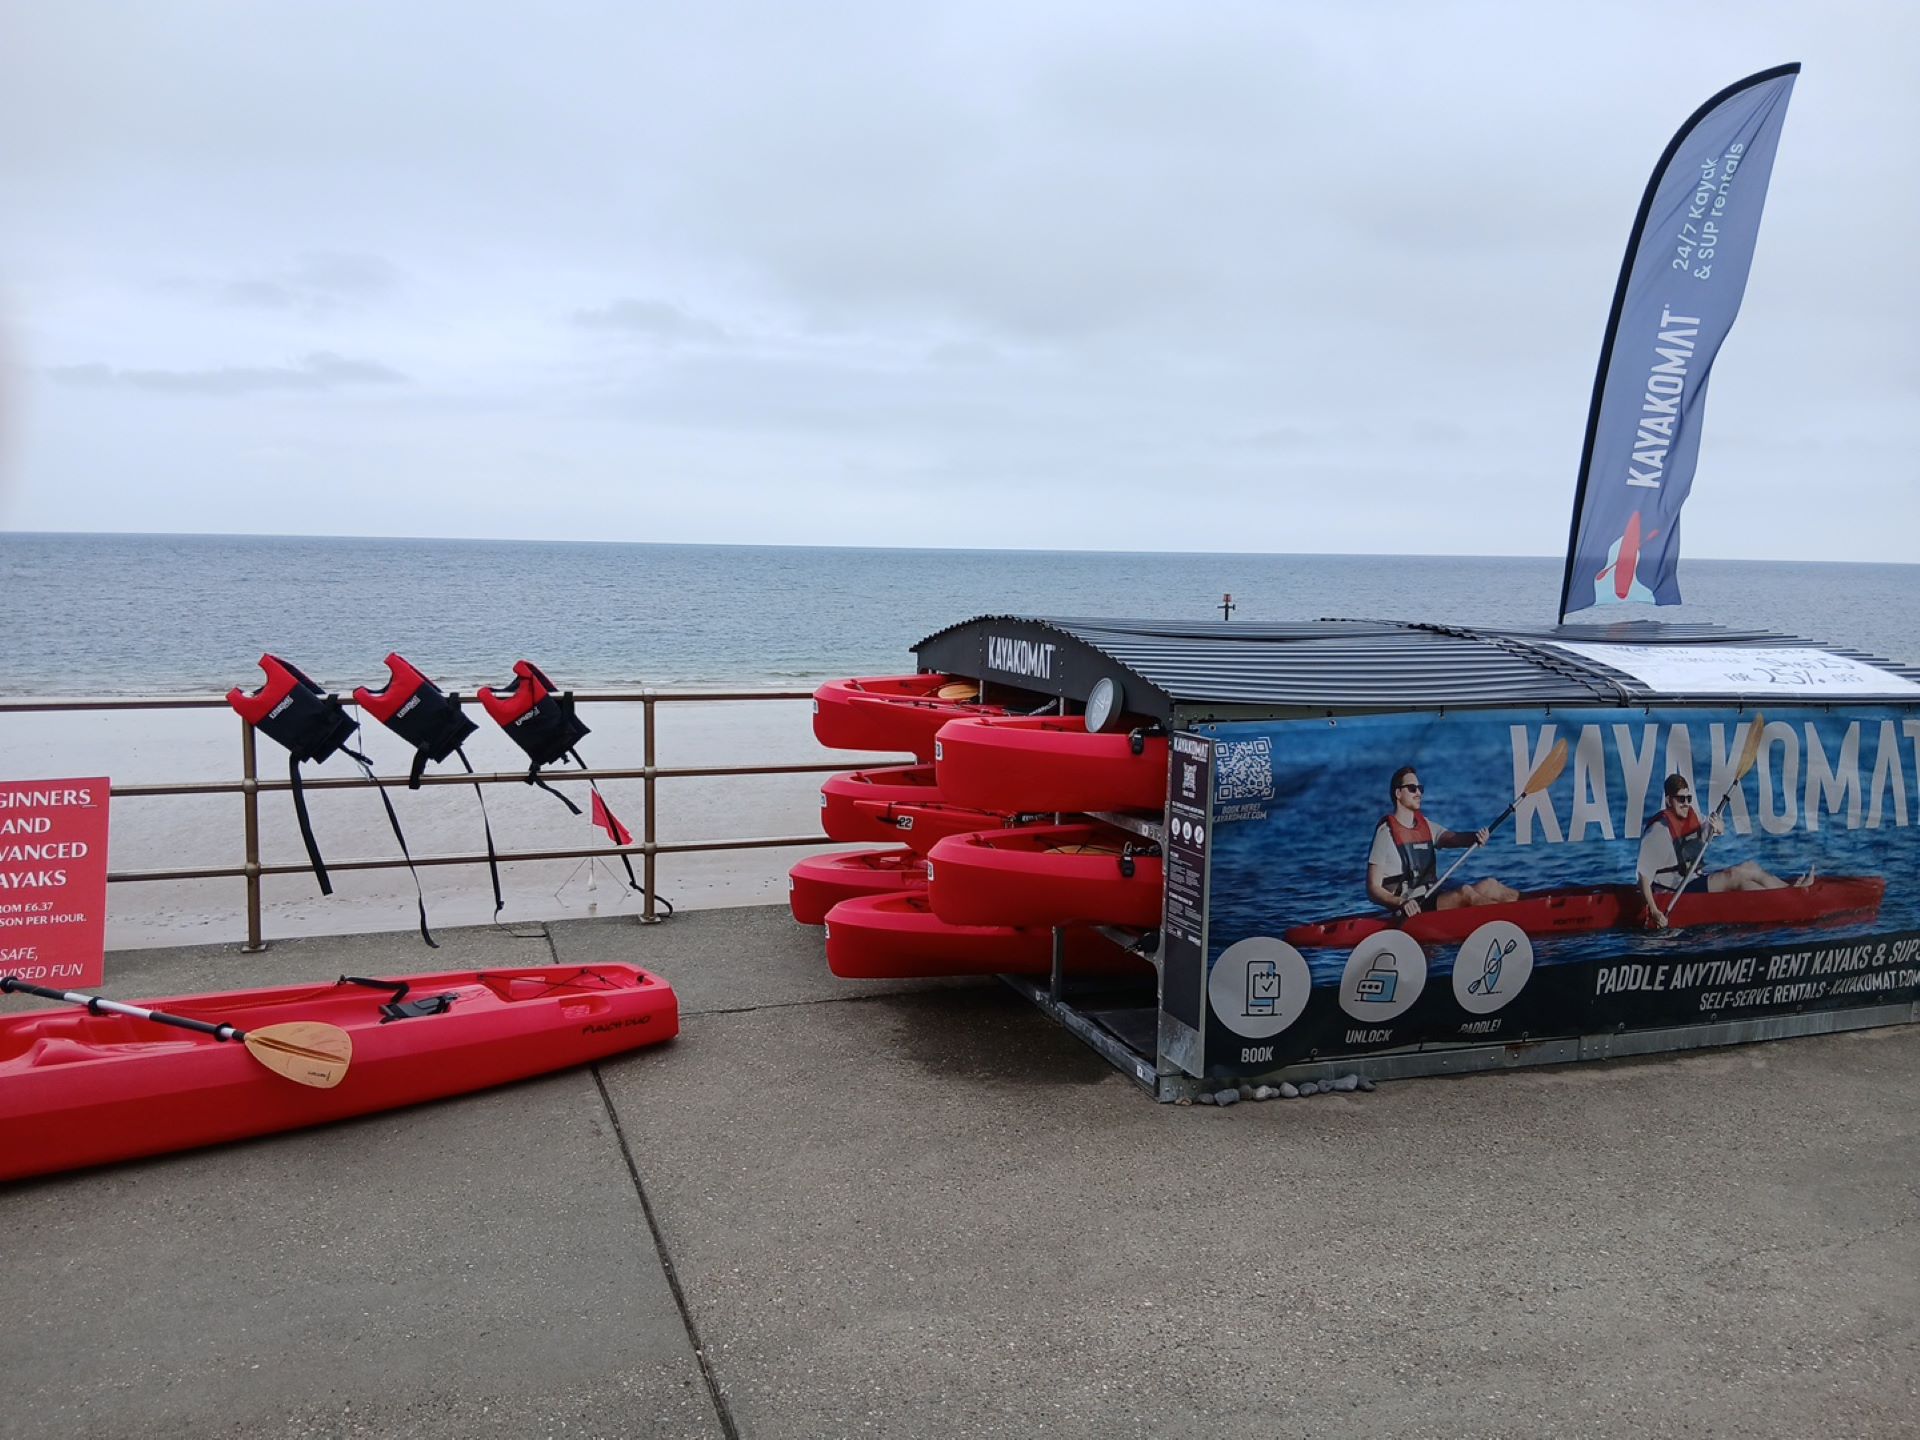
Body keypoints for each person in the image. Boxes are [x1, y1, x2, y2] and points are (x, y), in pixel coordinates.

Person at [1636, 773, 1810, 928]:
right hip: (1674, 893)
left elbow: (1713, 828)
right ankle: (1789, 902)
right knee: (1734, 875)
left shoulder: (1692, 816)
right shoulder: (1657, 832)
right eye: (1681, 799)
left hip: (1692, 882)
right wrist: (1654, 910)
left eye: (1688, 798)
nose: (1686, 804)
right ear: (1668, 800)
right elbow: (1643, 878)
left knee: (1747, 875)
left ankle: (1789, 896)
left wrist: (1718, 827)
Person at [1367, 766, 1519, 917]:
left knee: (1490, 885)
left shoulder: (1425, 826)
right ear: (1398, 793)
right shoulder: (1385, 834)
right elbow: (1373, 888)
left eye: (1420, 788)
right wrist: (1401, 902)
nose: (1419, 793)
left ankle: (1533, 908)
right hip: (1410, 908)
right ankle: (1513, 919)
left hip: (1432, 896)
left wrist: (1475, 837)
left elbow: (1453, 838)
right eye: (1412, 788)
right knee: (1465, 893)